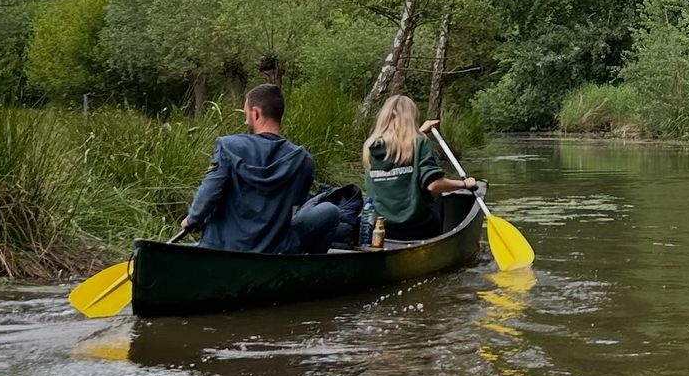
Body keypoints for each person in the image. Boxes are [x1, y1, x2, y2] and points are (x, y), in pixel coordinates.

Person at [182, 83, 347, 255]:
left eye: (246, 114)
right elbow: (295, 206)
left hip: (222, 248)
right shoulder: (304, 161)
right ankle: (305, 272)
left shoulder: (228, 146)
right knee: (330, 211)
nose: (246, 120)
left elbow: (209, 194)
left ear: (255, 113)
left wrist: (192, 219)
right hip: (272, 250)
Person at [360, 95, 480, 243]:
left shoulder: (370, 146)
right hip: (417, 228)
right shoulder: (420, 143)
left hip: (382, 228)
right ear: (412, 117)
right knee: (435, 194)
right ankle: (437, 241)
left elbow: (399, 147)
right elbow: (434, 185)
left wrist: (420, 131)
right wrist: (464, 184)